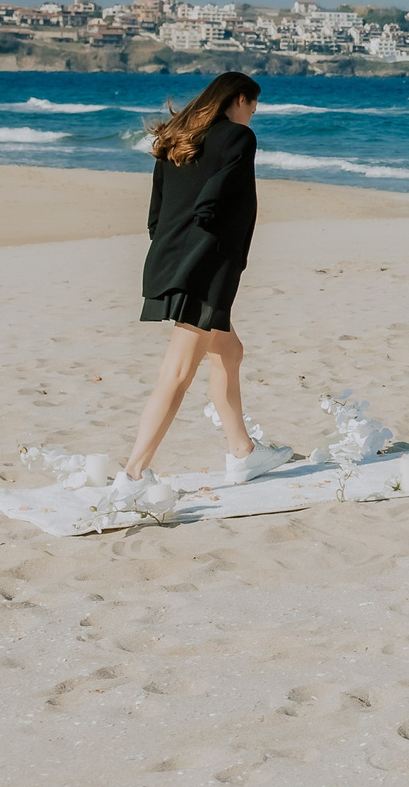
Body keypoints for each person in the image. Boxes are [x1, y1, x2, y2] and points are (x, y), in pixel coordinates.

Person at [107, 71, 295, 503]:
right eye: (253, 106)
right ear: (240, 99)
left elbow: (155, 215)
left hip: (170, 258)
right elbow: (215, 199)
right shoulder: (238, 139)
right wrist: (215, 240)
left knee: (230, 352)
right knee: (177, 372)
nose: (253, 114)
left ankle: (243, 451)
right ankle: (133, 474)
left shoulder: (177, 137)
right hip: (205, 266)